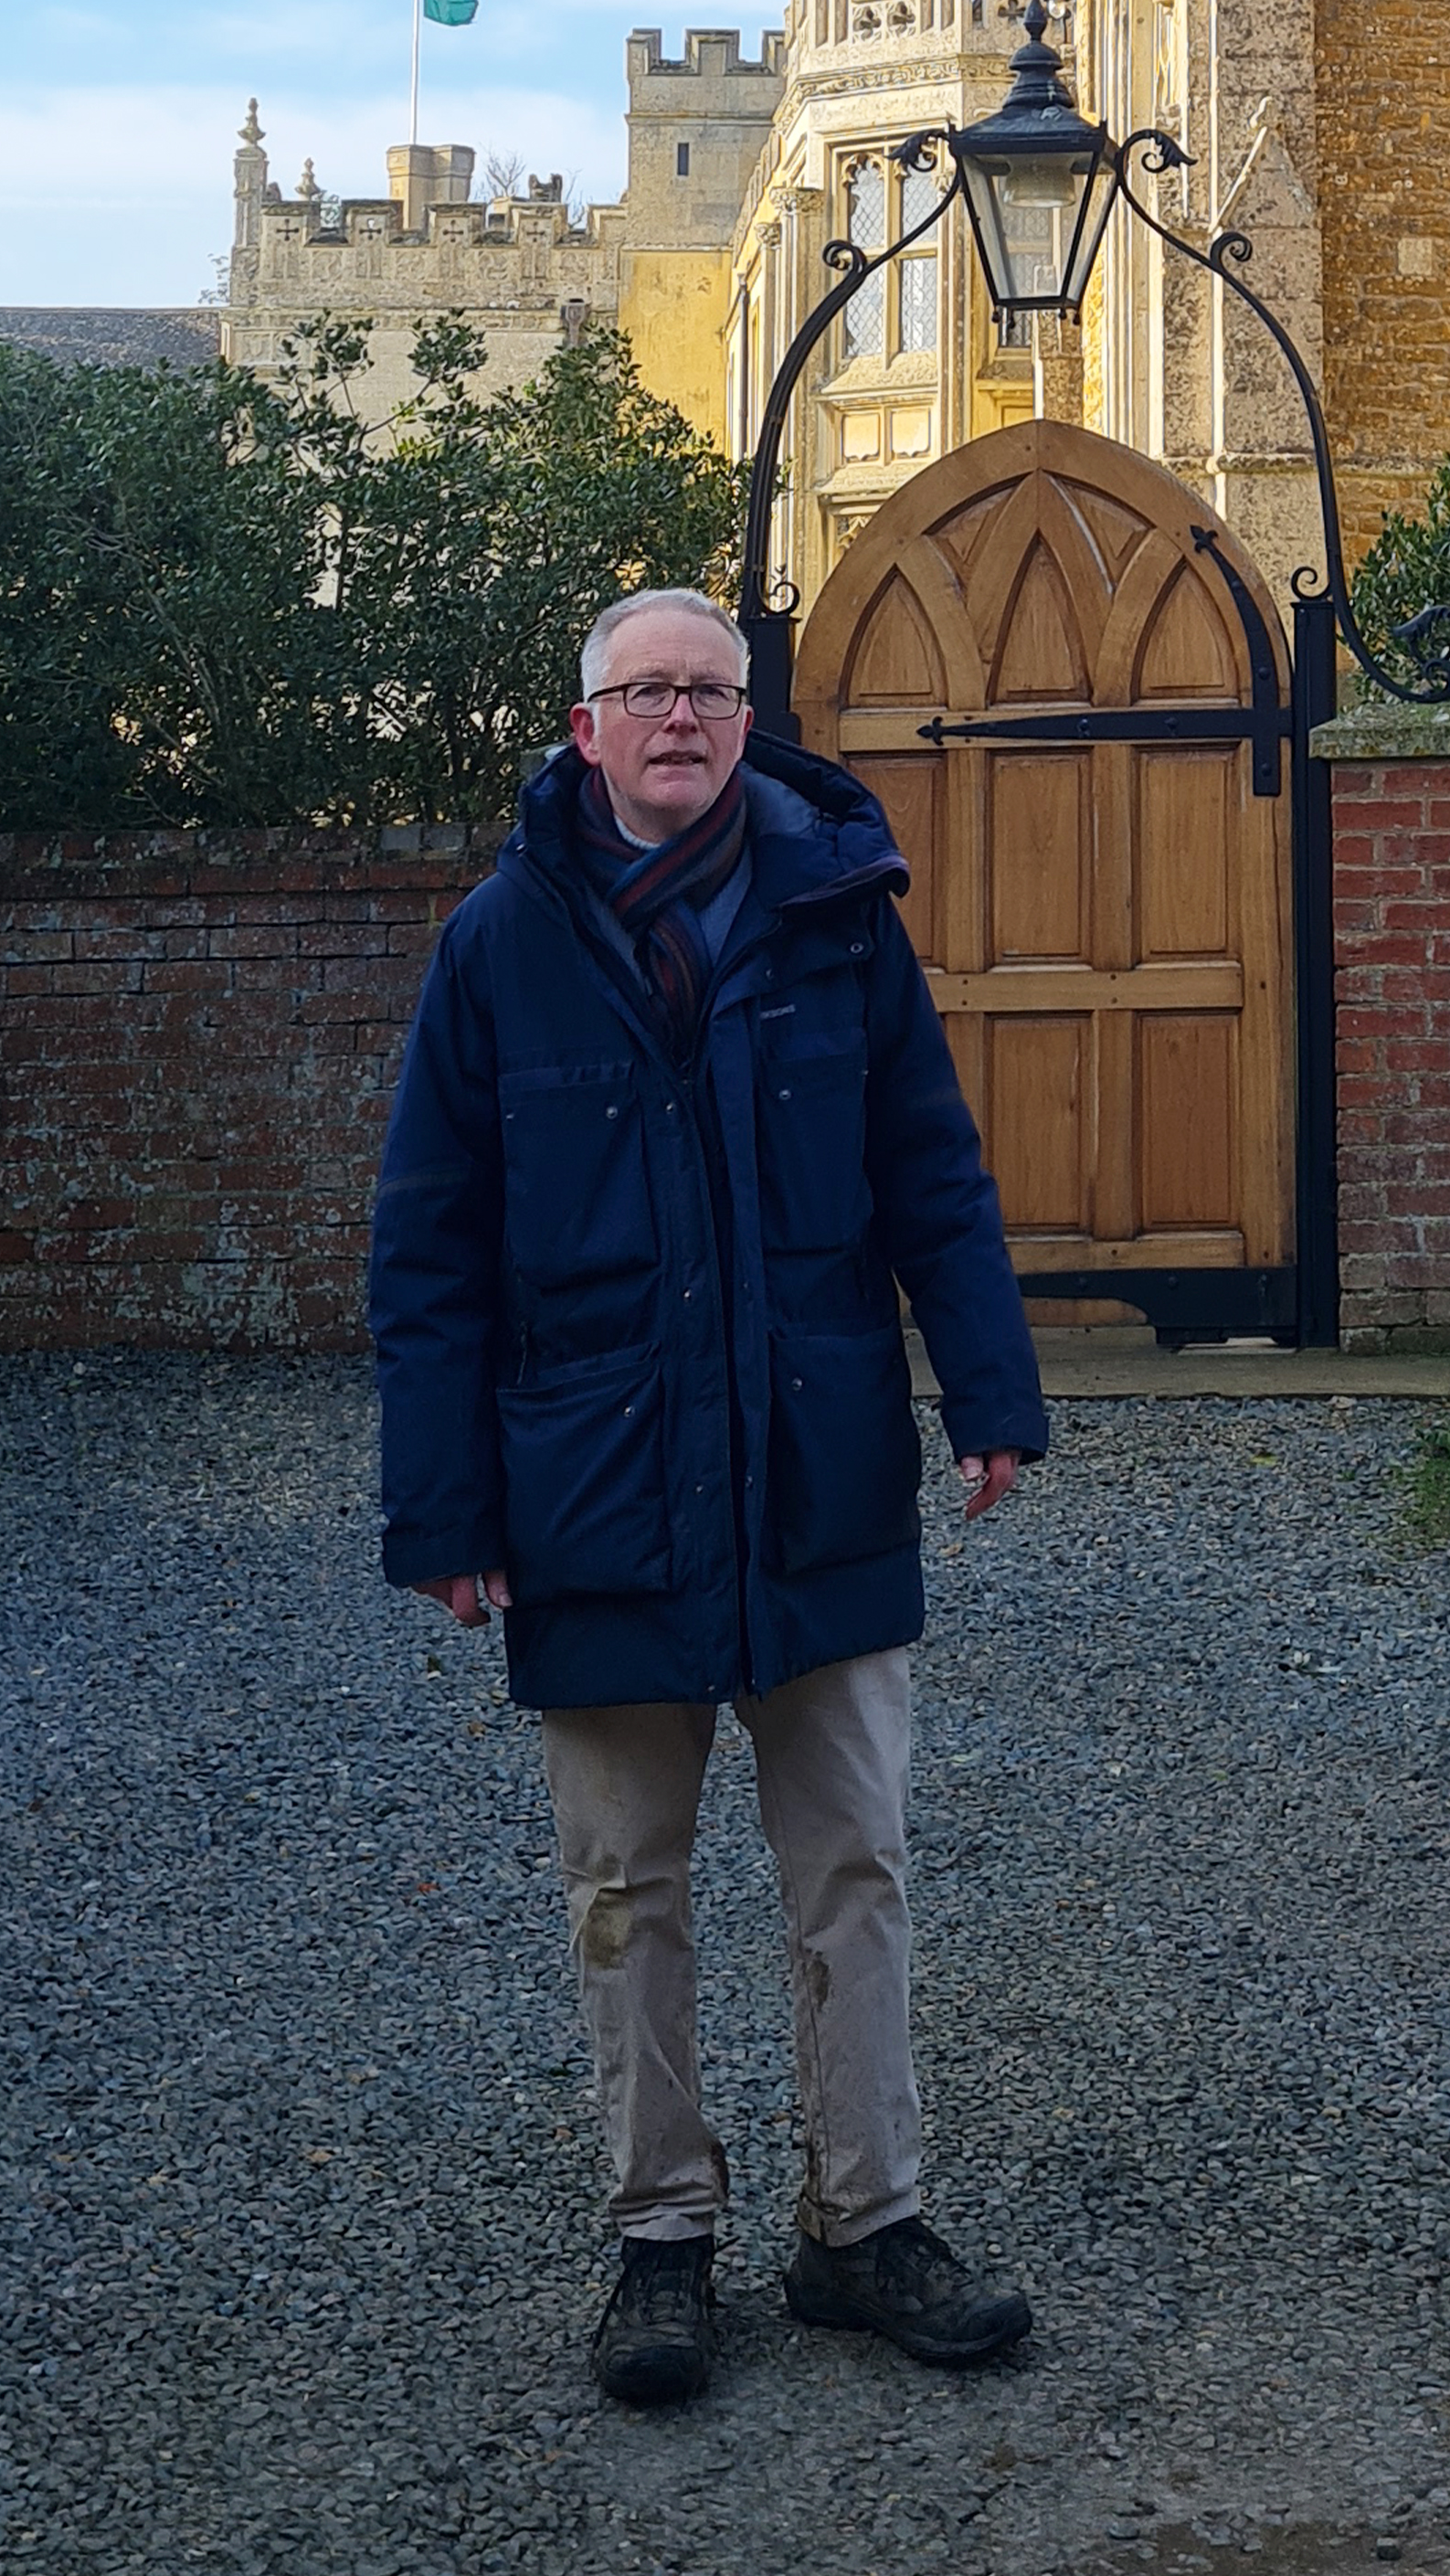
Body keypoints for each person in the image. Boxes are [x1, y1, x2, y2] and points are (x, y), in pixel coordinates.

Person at [368, 585, 1048, 2408]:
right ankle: (661, 2239)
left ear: (751, 722)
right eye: (647, 691)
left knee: (855, 1866)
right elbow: (428, 1243)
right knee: (624, 1886)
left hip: (820, 1468)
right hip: (592, 1483)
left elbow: (931, 1167)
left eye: (711, 692)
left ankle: (867, 2225)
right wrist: (443, 1508)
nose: (680, 716)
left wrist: (990, 1390)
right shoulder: (497, 946)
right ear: (585, 727)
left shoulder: (838, 914)